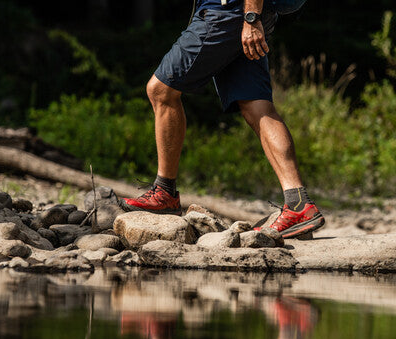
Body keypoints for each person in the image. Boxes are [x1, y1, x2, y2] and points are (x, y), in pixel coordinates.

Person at [121, 0, 324, 238]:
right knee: (256, 106)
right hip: (247, 13)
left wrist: (251, 18)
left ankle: (165, 192)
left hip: (228, 11)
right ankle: (298, 204)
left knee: (160, 90)